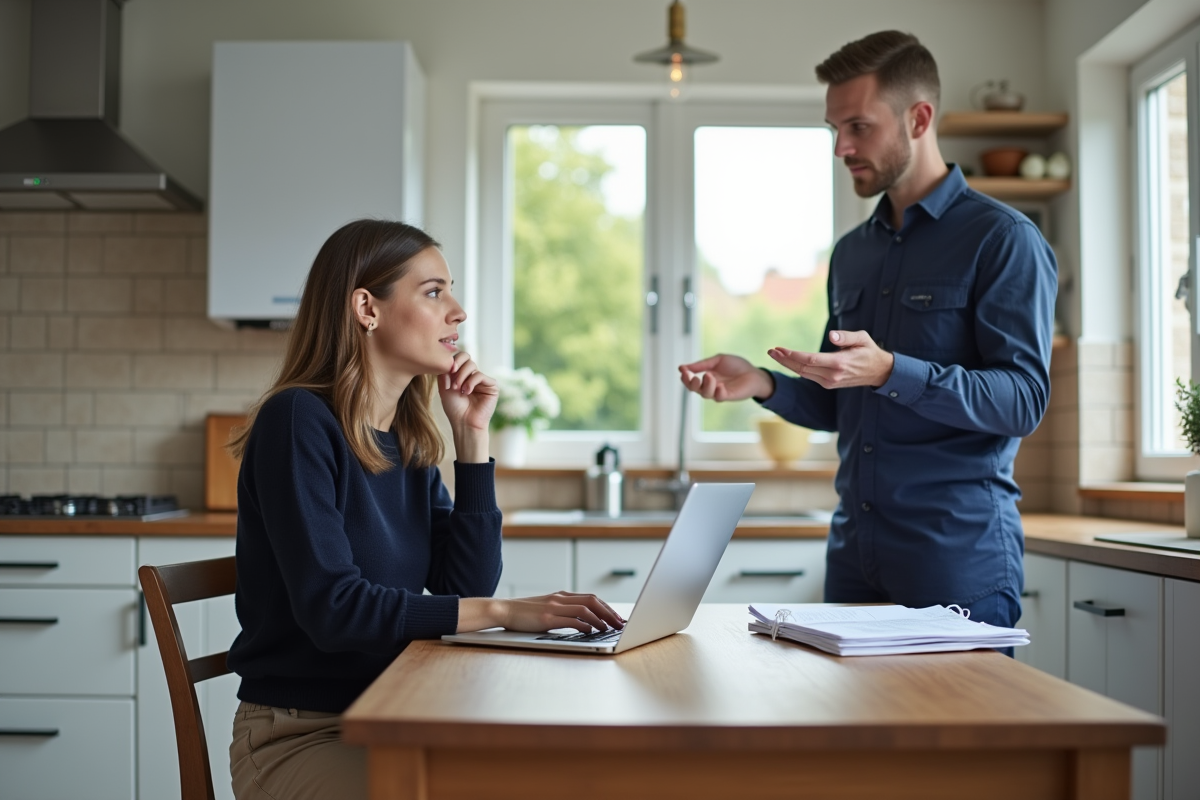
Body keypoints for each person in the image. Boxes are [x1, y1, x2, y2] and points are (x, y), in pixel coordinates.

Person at [224, 219, 624, 800]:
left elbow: (463, 579)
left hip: (400, 714)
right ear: (367, 308)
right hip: (305, 735)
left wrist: (471, 441)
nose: (457, 311)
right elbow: (335, 611)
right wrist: (504, 612)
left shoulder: (405, 438)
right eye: (434, 292)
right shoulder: (297, 422)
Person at [680, 31, 1057, 631]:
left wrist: (891, 369)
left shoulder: (1002, 240)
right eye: (835, 129)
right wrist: (762, 384)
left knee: (959, 730)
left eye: (858, 127)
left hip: (954, 562)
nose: (841, 148)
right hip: (855, 557)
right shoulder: (853, 253)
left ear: (919, 118)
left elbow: (1023, 401)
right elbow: (847, 403)